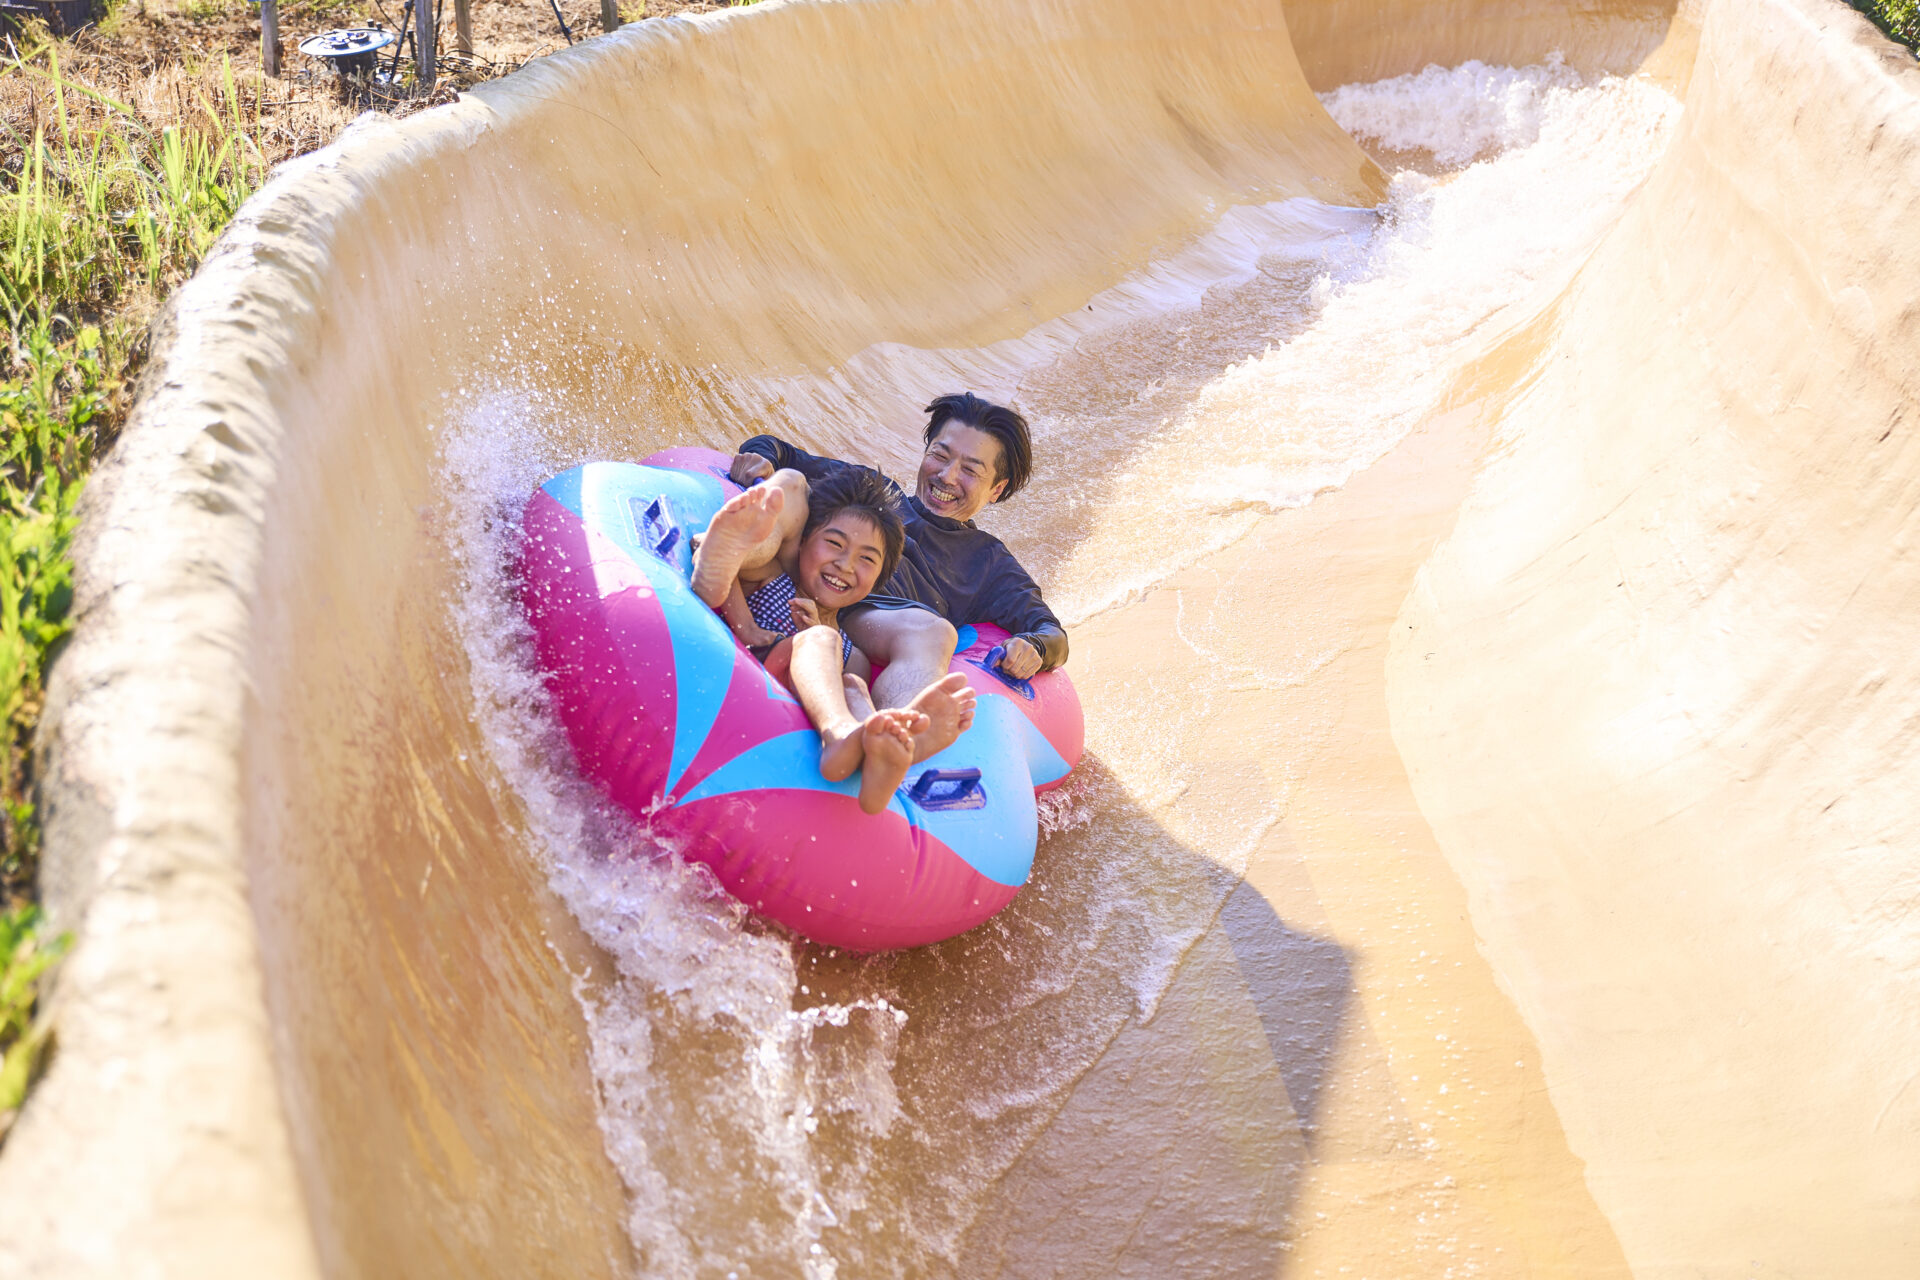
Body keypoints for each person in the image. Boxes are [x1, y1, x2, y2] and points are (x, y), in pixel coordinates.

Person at [730, 392, 1069, 777]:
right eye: (941, 455)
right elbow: (781, 452)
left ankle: (889, 737)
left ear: (996, 488)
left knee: (935, 631)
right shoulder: (875, 492)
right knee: (788, 488)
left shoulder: (987, 563)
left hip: (872, 619)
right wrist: (761, 459)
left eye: (971, 471)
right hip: (804, 584)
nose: (947, 476)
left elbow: (1050, 631)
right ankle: (728, 556)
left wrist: (1036, 647)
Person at [692, 464, 976, 813]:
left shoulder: (850, 650)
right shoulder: (773, 575)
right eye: (834, 543)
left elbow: (845, 684)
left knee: (855, 684)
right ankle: (839, 734)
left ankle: (887, 749)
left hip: (807, 698)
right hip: (762, 660)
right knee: (821, 639)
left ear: (877, 581)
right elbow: (733, 569)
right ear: (803, 540)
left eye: (866, 560)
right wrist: (747, 626)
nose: (844, 564)